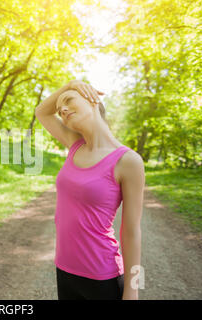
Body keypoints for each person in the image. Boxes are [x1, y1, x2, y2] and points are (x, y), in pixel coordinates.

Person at [35, 80, 144, 300]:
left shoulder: (128, 161)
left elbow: (132, 232)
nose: (62, 109)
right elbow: (42, 112)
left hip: (103, 277)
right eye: (60, 108)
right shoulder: (74, 143)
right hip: (65, 270)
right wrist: (68, 86)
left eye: (69, 100)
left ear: (93, 100)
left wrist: (133, 291)